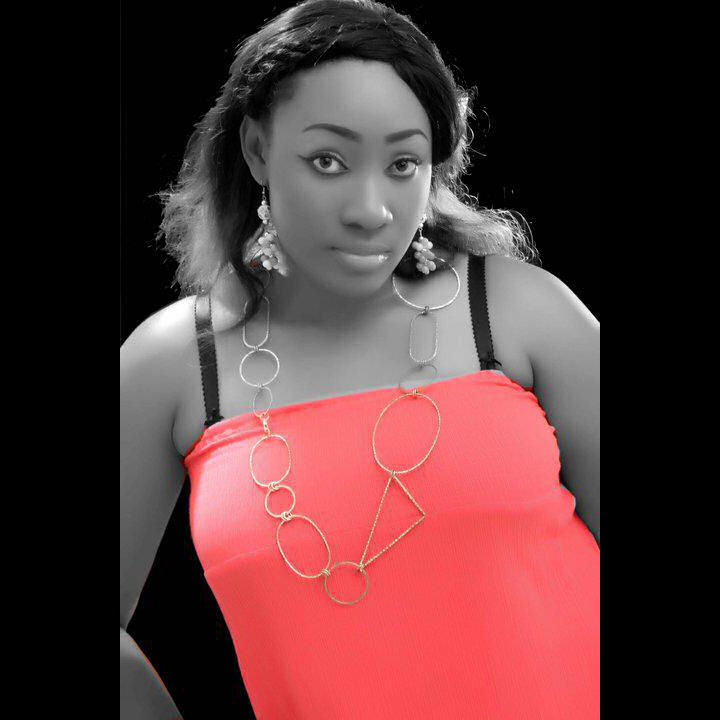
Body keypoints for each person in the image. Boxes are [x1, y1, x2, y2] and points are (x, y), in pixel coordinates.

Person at [120, 1, 600, 718]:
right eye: (328, 161)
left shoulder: (518, 312)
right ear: (256, 149)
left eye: (403, 164)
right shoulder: (175, 366)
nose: (371, 209)